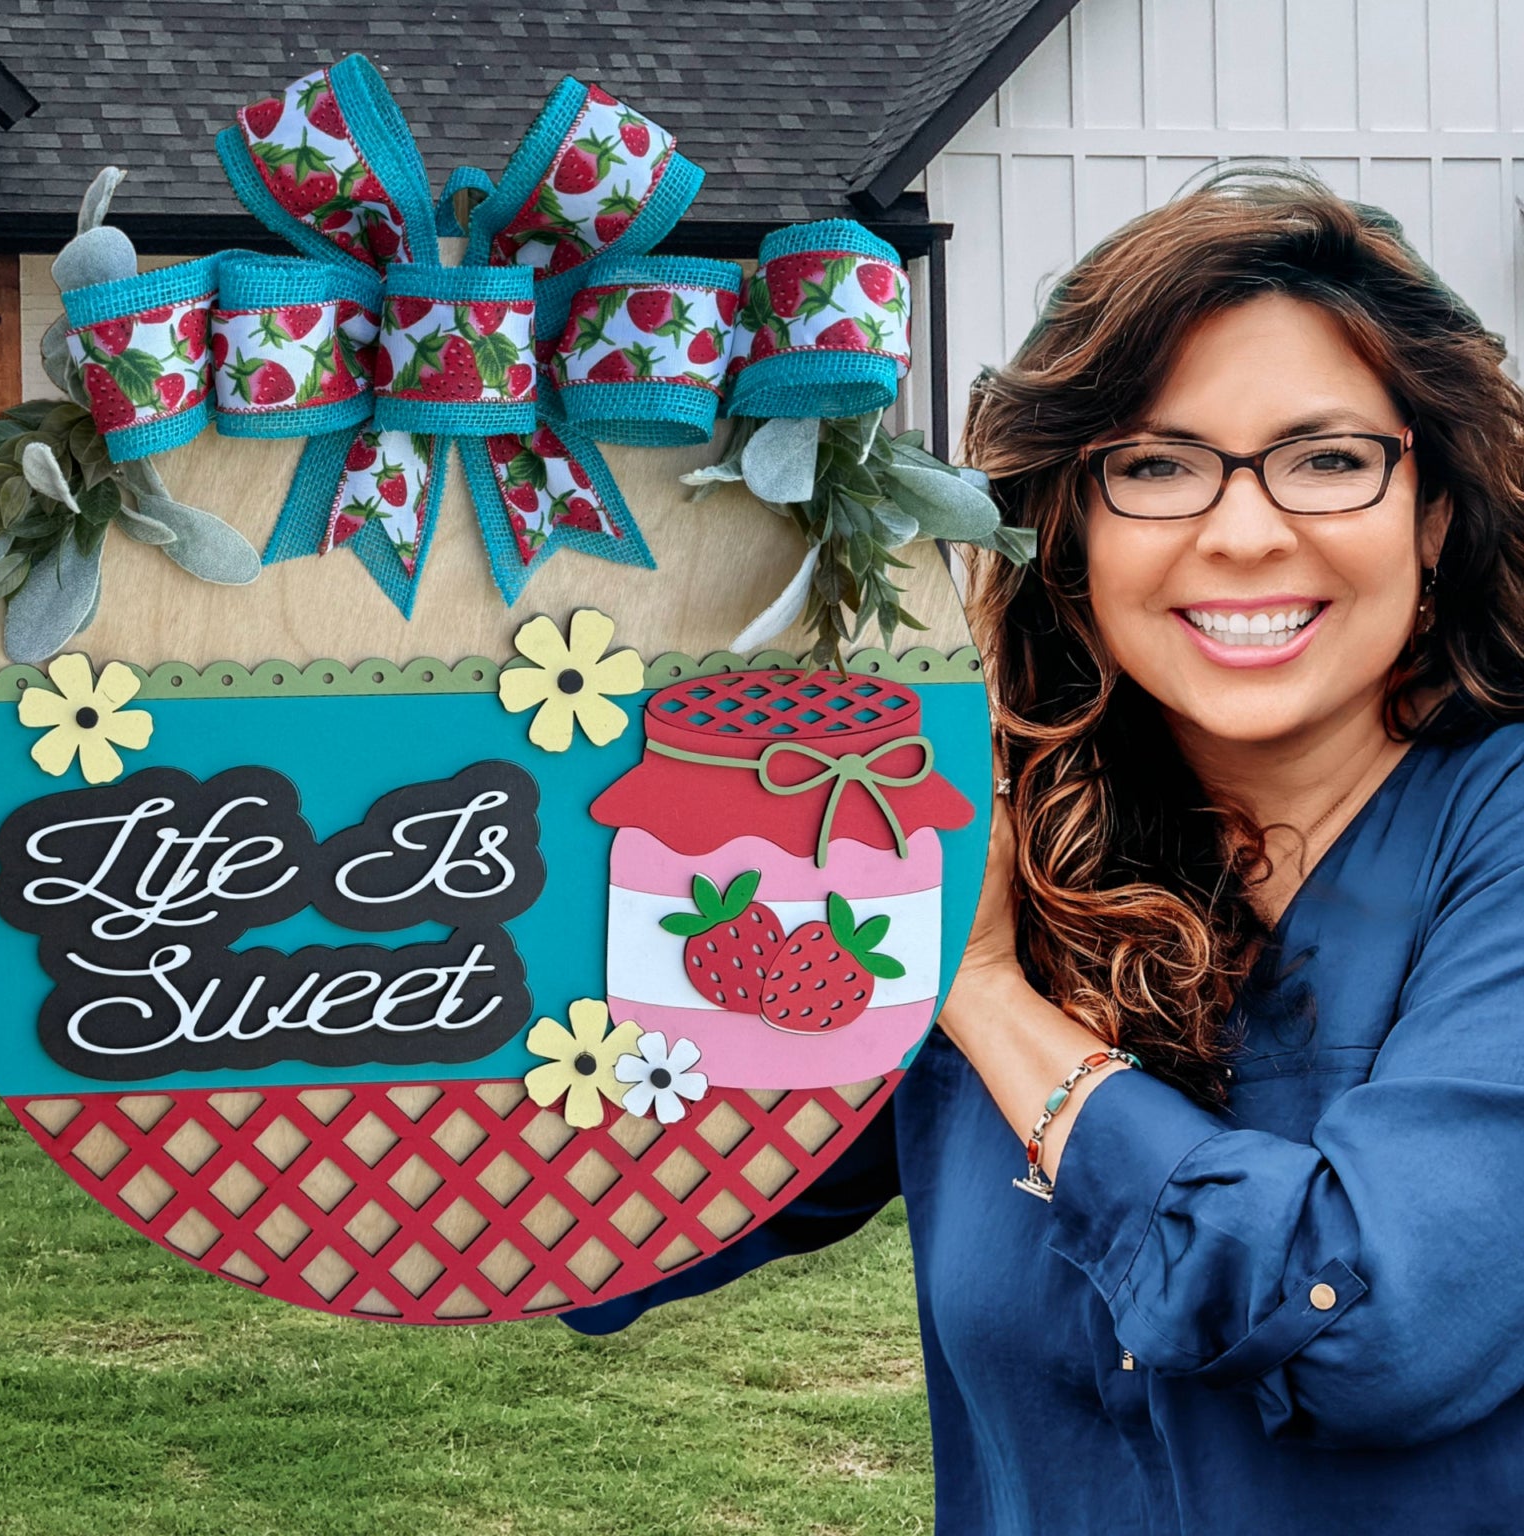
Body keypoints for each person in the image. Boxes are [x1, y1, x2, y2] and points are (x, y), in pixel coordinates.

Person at [565, 165, 1524, 1532]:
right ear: (1068, 533)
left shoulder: (1493, 837)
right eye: (1156, 467)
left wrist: (988, 997)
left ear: (1433, 516)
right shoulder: (999, 838)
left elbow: (1373, 1327)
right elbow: (610, 1221)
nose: (1245, 533)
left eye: (1327, 459)